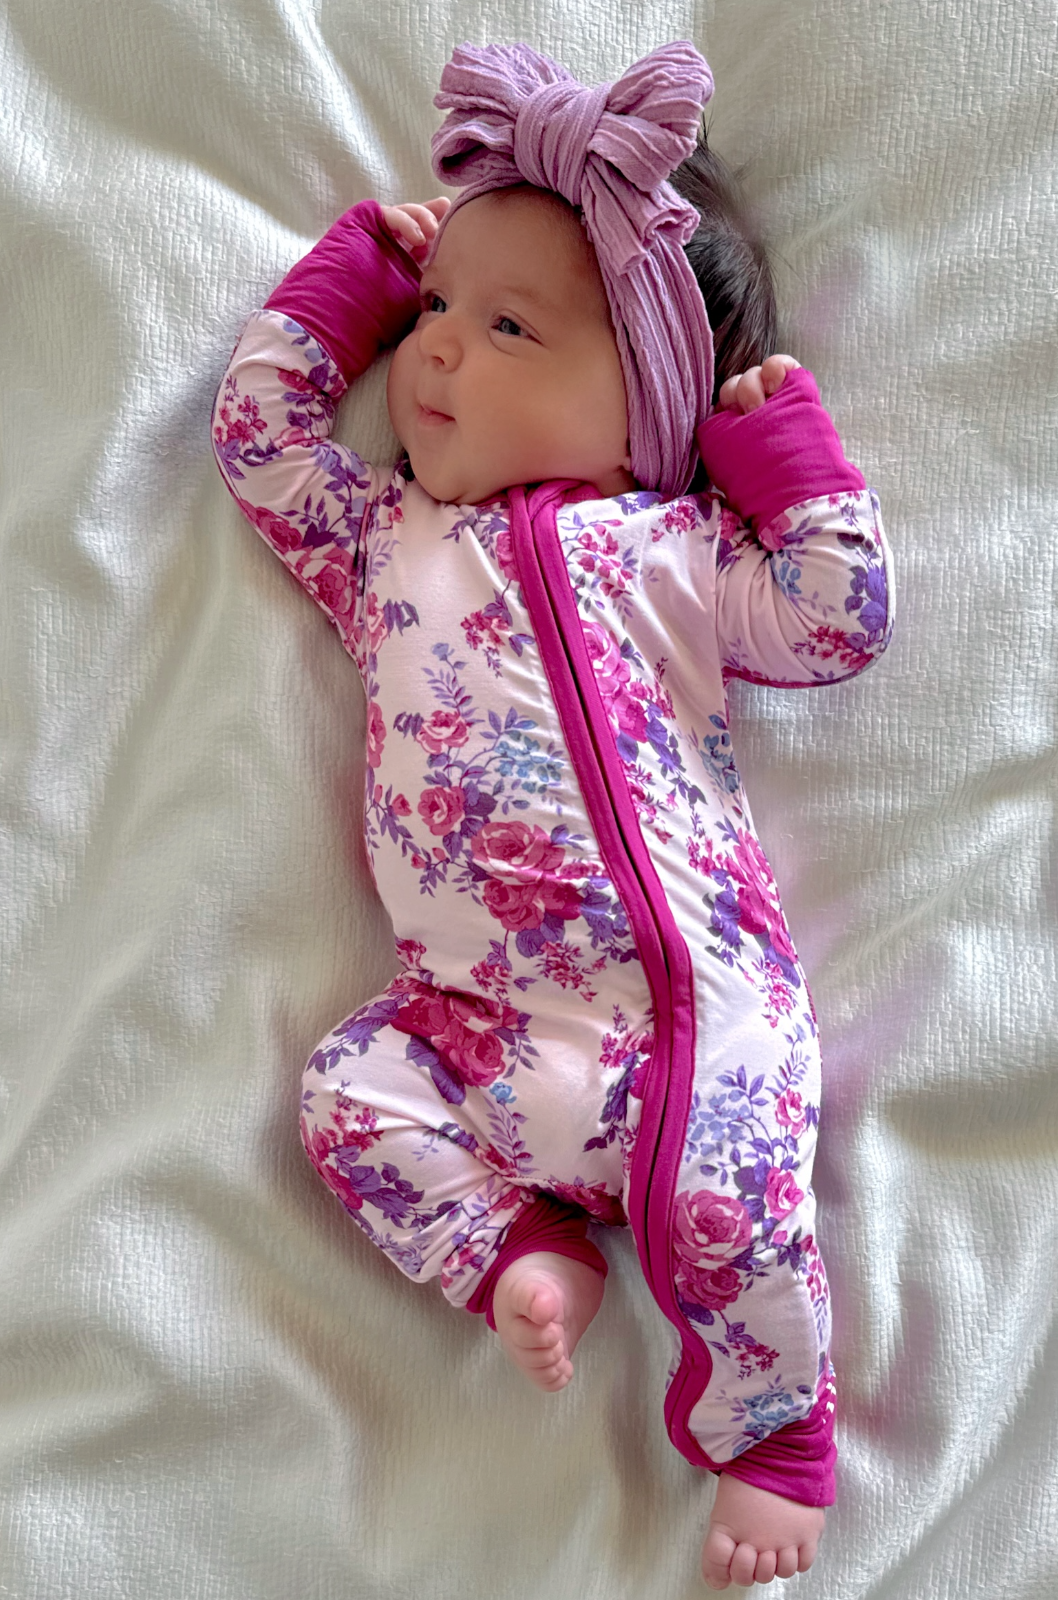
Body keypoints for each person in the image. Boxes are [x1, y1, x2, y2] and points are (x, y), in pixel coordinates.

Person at [211, 39, 892, 1591]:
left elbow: (836, 618)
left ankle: (774, 1430)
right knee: (344, 1097)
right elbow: (263, 442)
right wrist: (356, 282)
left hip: (686, 1030)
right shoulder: (387, 541)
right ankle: (516, 1252)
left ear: (644, 397)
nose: (438, 356)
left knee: (735, 1215)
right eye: (439, 314)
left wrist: (772, 457)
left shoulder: (673, 554)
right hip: (470, 1030)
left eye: (505, 324)